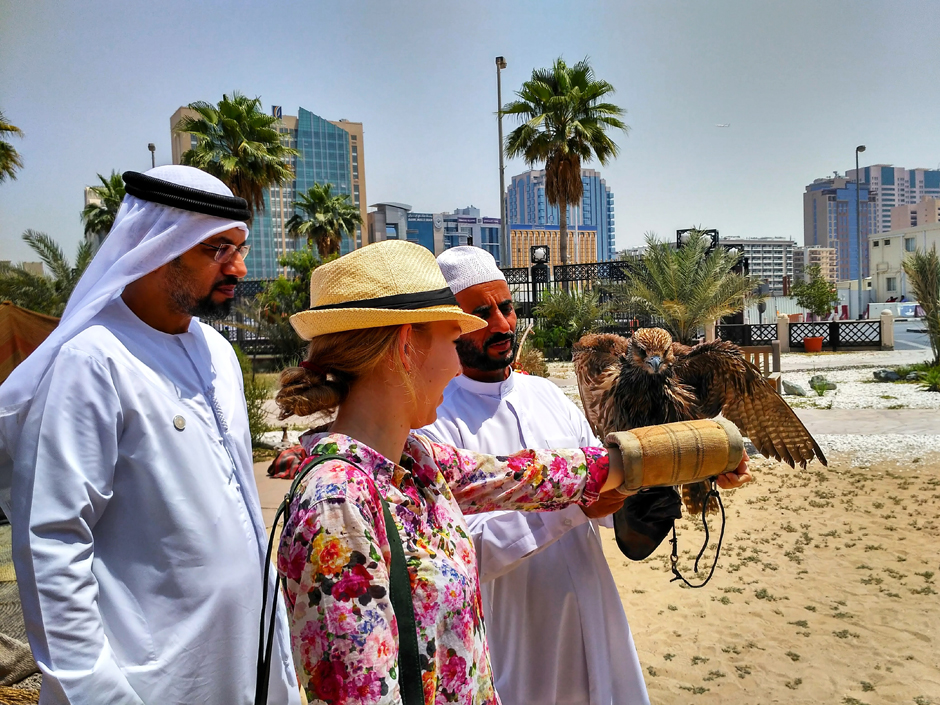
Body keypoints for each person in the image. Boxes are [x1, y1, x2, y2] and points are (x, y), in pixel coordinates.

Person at [273, 240, 635, 705]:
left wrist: (650, 457)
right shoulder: (337, 507)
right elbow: (359, 692)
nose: (454, 362)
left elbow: (524, 475)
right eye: (451, 338)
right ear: (407, 347)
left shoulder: (417, 459)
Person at [0, 166, 298, 704]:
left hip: (241, 663)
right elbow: (52, 543)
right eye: (217, 249)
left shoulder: (219, 352)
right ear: (161, 244)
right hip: (147, 682)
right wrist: (96, 690)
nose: (239, 267)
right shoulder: (93, 360)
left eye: (240, 247)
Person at [421, 246, 752, 705]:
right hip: (514, 636)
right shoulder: (435, 418)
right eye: (481, 314)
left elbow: (609, 489)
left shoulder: (547, 396)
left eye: (507, 307)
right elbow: (458, 551)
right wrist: (572, 508)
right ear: (449, 325)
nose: (501, 324)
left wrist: (700, 468)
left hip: (597, 619)